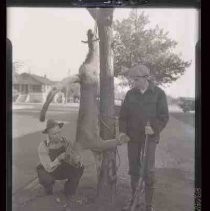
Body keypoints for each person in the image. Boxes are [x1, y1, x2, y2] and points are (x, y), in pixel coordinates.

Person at [119, 64, 169, 211]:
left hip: (150, 139)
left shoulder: (159, 93)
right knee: (134, 170)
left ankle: (148, 204)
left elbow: (164, 117)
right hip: (133, 139)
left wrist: (154, 128)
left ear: (146, 78)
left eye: (136, 79)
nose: (134, 82)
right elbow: (123, 117)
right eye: (133, 79)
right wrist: (122, 132)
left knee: (148, 171)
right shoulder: (130, 94)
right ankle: (135, 201)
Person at [36, 119, 84, 197]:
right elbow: (48, 167)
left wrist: (75, 160)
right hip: (49, 170)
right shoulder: (43, 146)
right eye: (54, 134)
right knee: (45, 178)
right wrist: (59, 158)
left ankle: (69, 191)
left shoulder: (65, 141)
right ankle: (48, 190)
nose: (58, 135)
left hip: (62, 168)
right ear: (48, 134)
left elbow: (72, 157)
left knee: (79, 168)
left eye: (59, 132)